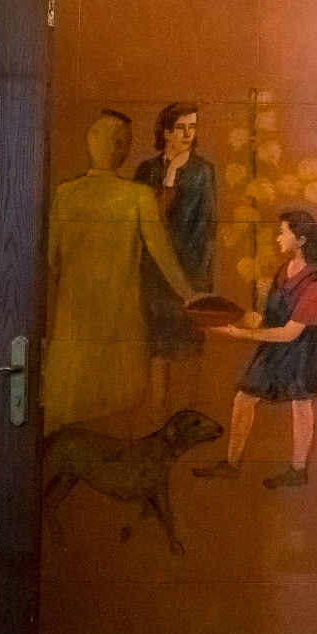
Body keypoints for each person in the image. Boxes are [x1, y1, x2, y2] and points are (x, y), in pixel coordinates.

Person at [44, 111, 196, 431]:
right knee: (117, 416)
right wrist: (192, 297)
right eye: (125, 143)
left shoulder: (64, 195)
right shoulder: (138, 196)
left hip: (73, 327)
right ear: (117, 146)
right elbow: (163, 258)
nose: (127, 151)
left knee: (70, 416)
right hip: (121, 326)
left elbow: (52, 260)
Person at [194, 211, 317, 490]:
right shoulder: (283, 271)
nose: (278, 238)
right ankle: (231, 463)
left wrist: (239, 334)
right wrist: (242, 316)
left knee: (301, 405)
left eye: (283, 232)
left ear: (300, 239)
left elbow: (290, 332)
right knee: (244, 398)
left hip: (297, 353)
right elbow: (270, 318)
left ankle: (298, 470)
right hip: (273, 348)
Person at [131, 102, 216, 423]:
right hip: (154, 271)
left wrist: (198, 280)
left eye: (192, 127)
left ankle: (188, 417)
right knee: (159, 347)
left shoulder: (202, 171)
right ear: (165, 132)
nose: (188, 134)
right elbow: (144, 223)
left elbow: (206, 226)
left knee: (189, 346)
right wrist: (169, 178)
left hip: (191, 271)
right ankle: (157, 417)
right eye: (181, 127)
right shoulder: (147, 171)